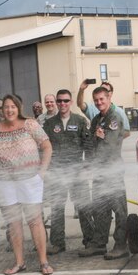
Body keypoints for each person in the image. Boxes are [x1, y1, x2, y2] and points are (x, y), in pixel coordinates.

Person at [0, 94, 53, 275]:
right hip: (5, 183)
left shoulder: (30, 124)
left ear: (18, 107)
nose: (9, 110)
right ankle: (19, 262)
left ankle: (43, 262)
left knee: (35, 221)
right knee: (14, 223)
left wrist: (42, 172)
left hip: (30, 180)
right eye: (6, 107)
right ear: (2, 110)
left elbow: (47, 146)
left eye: (12, 106)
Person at [79, 86, 130, 260]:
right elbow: (91, 143)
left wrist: (101, 138)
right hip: (99, 171)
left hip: (112, 170)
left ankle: (121, 245)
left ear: (109, 98)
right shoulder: (96, 120)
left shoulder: (114, 117)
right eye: (96, 100)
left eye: (102, 99)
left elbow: (110, 144)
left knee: (119, 208)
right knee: (100, 208)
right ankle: (99, 243)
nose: (99, 102)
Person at [43, 89, 92, 254]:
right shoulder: (49, 124)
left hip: (77, 171)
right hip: (57, 173)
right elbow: (44, 148)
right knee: (57, 208)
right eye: (60, 101)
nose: (62, 104)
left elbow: (89, 144)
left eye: (65, 101)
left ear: (70, 102)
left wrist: (87, 165)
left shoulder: (80, 121)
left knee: (83, 206)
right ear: (56, 103)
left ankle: (90, 241)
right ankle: (57, 243)